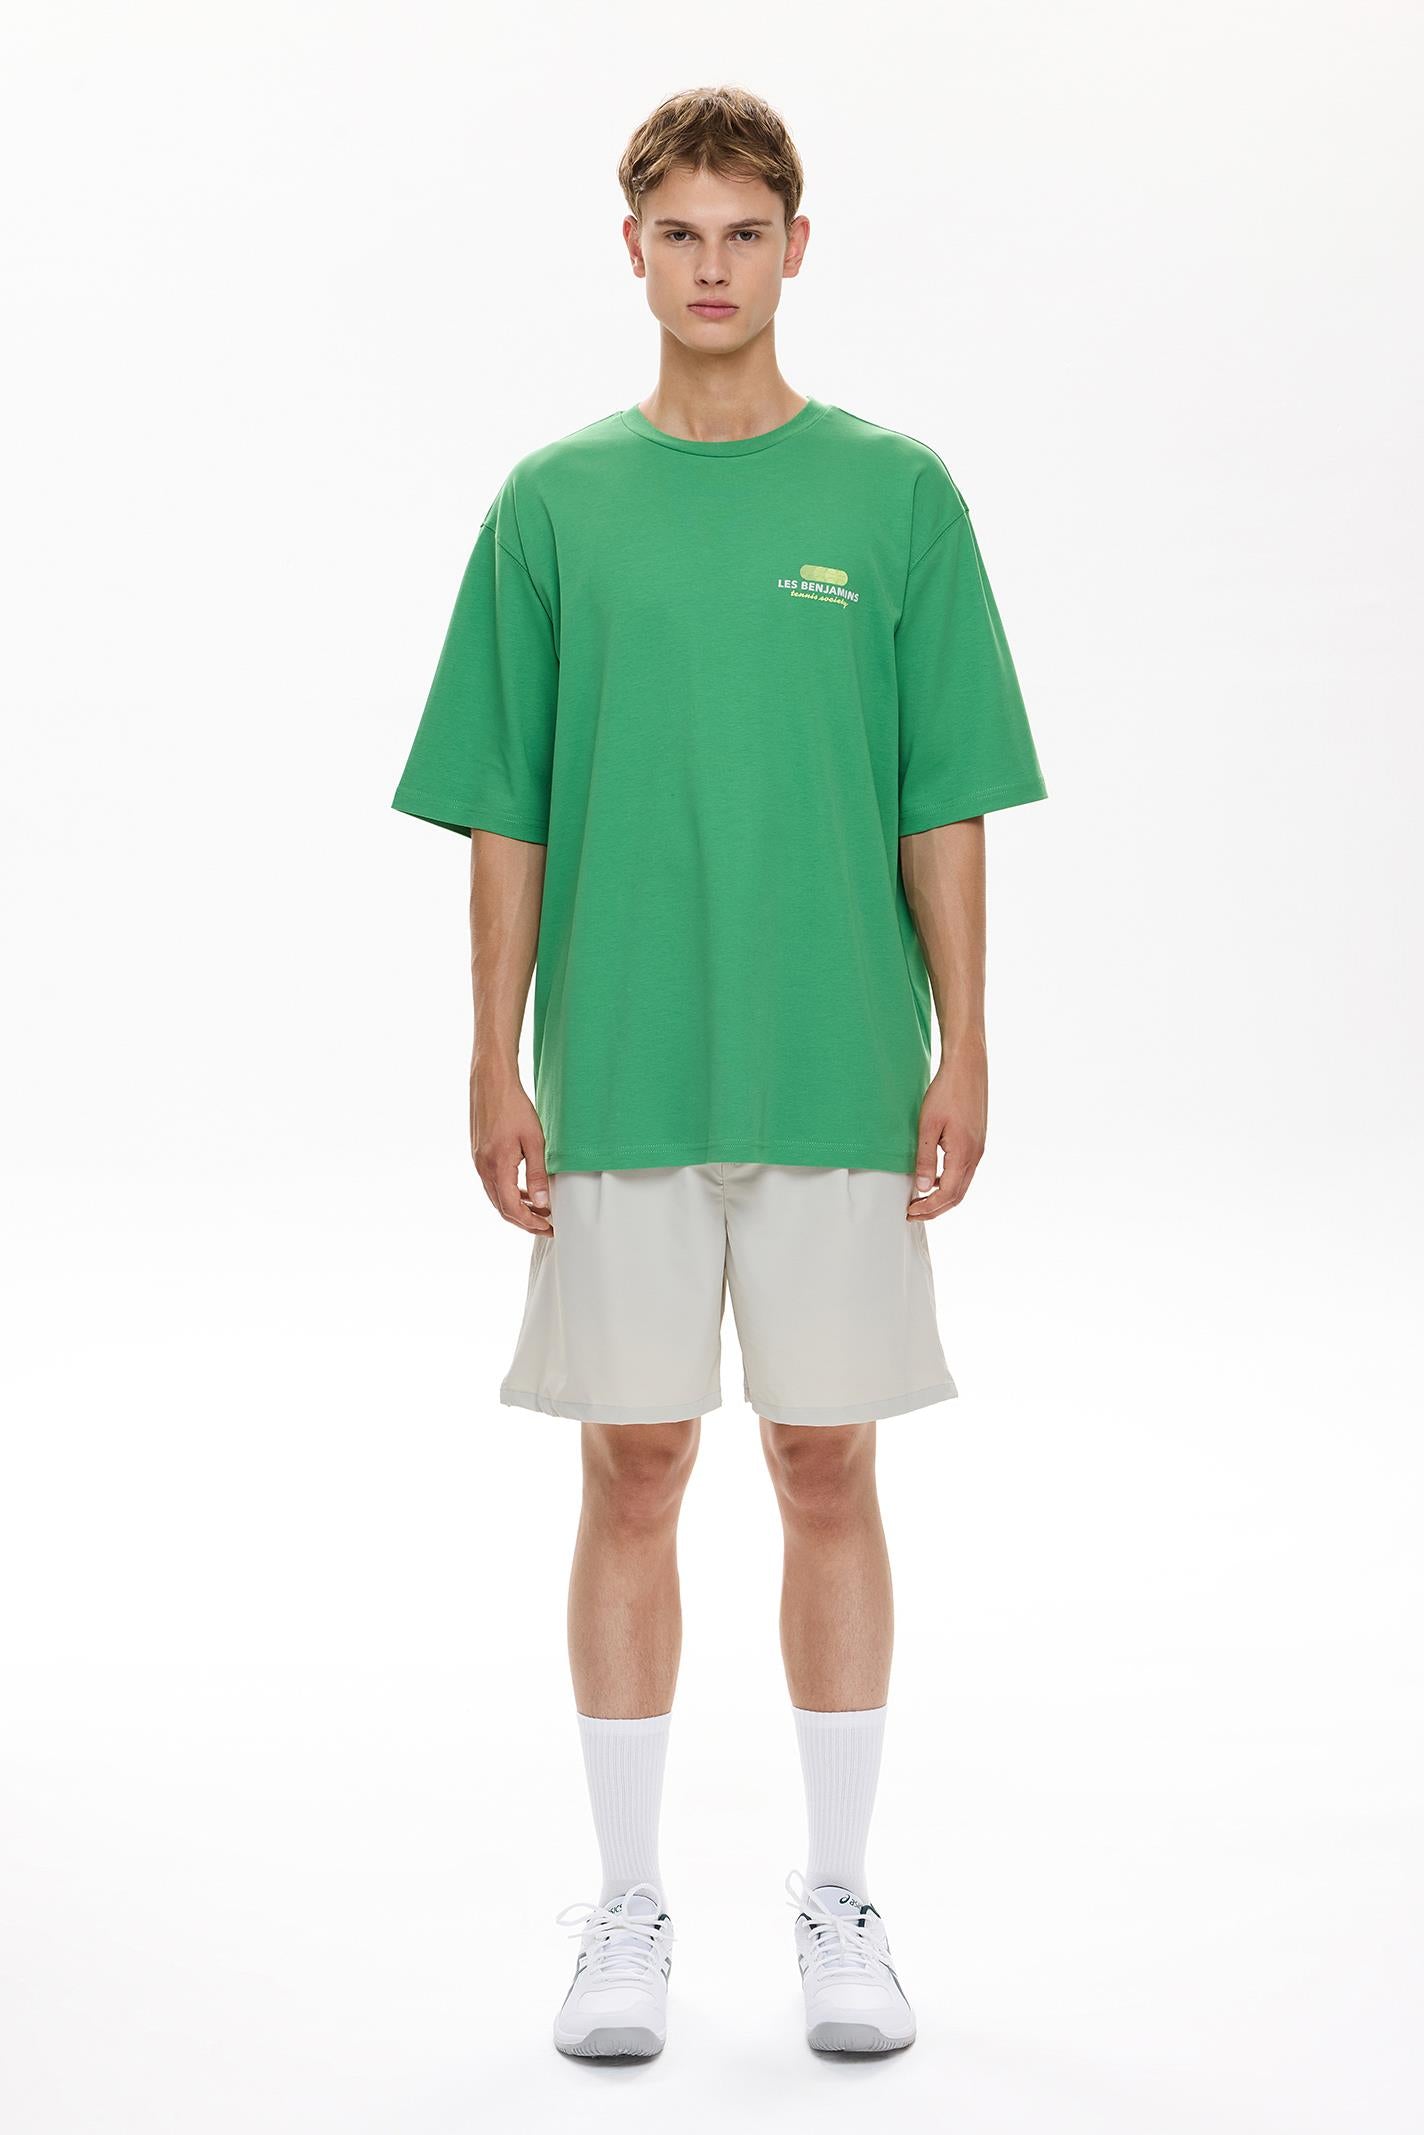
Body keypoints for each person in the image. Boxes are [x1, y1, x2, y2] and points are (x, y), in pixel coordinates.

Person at [391, 84, 1046, 2061]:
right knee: (636, 1463)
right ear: (632, 252)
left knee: (828, 1461)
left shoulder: (893, 498)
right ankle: (626, 1911)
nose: (710, 265)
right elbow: (504, 808)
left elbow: (943, 798)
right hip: (624, 1071)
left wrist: (967, 1040)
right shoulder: (552, 505)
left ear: (794, 248)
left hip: (839, 1066)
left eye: (742, 231)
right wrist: (492, 1055)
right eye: (676, 231)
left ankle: (840, 1900)